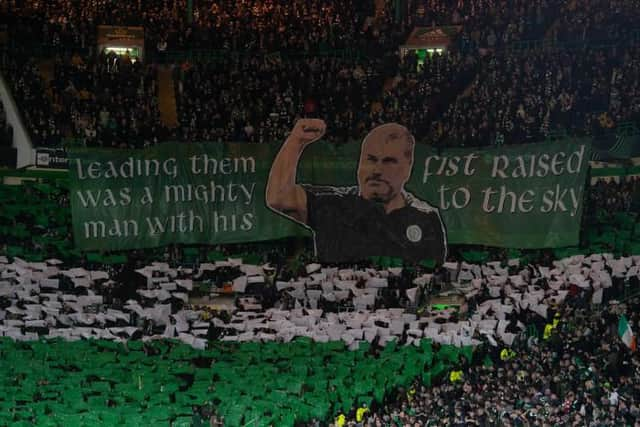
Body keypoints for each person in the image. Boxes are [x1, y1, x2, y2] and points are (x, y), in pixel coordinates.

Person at [266, 119, 447, 263]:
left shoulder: (426, 218)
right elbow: (279, 197)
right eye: (370, 159)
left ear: (408, 168)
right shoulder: (333, 204)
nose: (376, 170)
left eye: (388, 161)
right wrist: (296, 141)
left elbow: (435, 280)